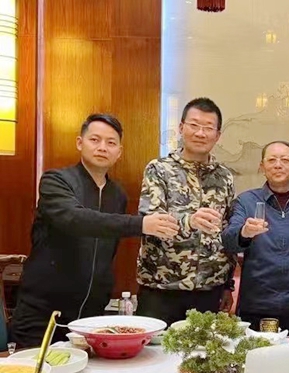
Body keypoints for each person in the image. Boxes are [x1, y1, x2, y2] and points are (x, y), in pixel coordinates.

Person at [12, 114, 179, 347]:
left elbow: (109, 246)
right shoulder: (56, 181)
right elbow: (75, 219)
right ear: (80, 143)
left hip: (91, 319)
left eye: (111, 143)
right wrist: (141, 224)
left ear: (119, 152)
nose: (102, 147)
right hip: (43, 313)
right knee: (36, 369)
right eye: (95, 140)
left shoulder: (117, 194)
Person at [136, 97, 236, 325]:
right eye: (194, 125)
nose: (200, 133)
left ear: (217, 135)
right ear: (181, 128)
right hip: (161, 288)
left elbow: (227, 232)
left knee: (204, 348)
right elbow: (151, 222)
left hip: (209, 290)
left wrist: (227, 285)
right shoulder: (159, 169)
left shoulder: (224, 177)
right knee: (155, 347)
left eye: (208, 128)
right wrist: (189, 221)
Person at [221, 141, 289, 331]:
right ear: (262, 167)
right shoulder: (246, 201)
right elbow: (229, 242)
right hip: (255, 307)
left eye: (285, 160)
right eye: (271, 160)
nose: (278, 165)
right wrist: (245, 233)